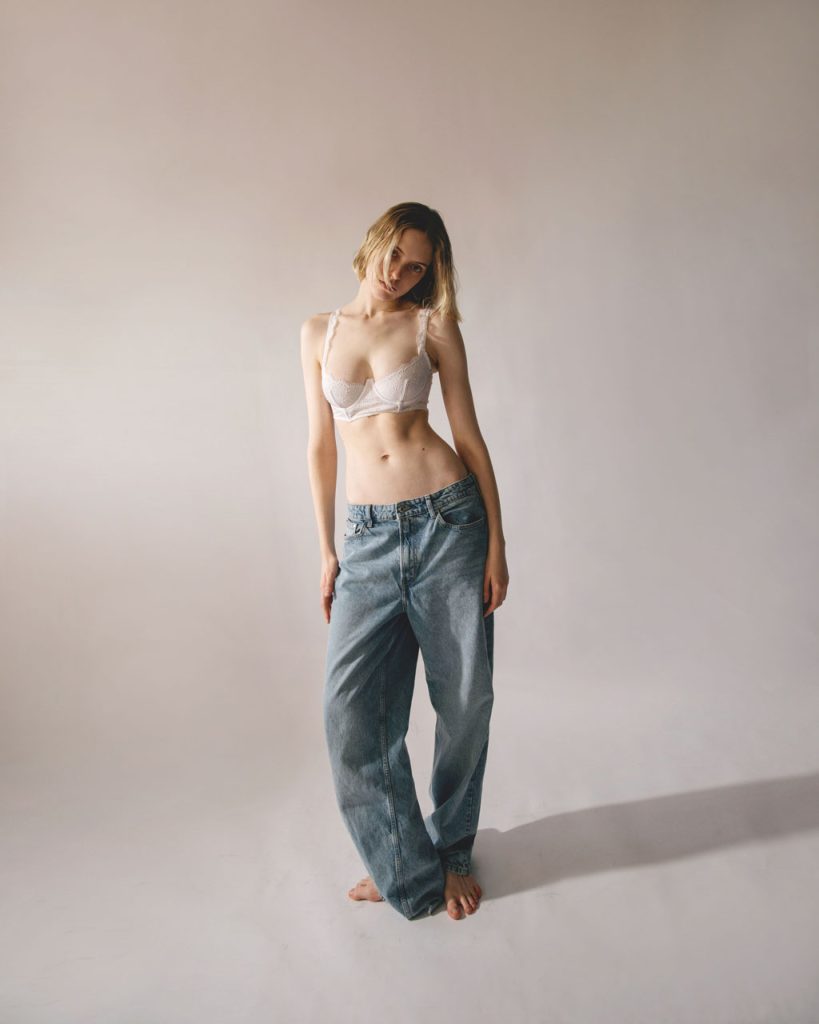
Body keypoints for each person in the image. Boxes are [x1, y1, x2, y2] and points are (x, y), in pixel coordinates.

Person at [300, 201, 509, 921]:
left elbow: (468, 436)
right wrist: (328, 549)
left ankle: (451, 855)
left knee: (464, 700)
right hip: (365, 537)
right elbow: (320, 445)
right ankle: (402, 864)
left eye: (417, 266)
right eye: (395, 254)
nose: (400, 273)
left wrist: (497, 542)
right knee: (349, 712)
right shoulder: (318, 332)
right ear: (374, 243)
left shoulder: (432, 326)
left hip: (448, 522)